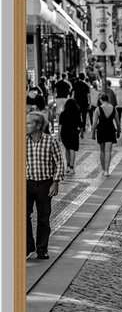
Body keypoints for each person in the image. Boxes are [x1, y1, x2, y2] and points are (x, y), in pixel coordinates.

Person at [26, 111, 64, 259]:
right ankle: (28, 246)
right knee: (23, 216)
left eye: (29, 123)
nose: (26, 126)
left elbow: (59, 162)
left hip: (45, 184)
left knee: (43, 217)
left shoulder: (50, 141)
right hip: (26, 183)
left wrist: (55, 182)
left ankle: (42, 249)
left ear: (39, 125)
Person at [91, 94, 121, 177]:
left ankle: (103, 169)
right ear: (108, 99)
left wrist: (93, 133)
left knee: (102, 151)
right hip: (110, 130)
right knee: (108, 151)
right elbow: (118, 123)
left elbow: (94, 123)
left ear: (101, 100)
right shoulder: (114, 109)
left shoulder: (98, 109)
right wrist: (118, 132)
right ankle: (107, 170)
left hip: (101, 130)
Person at [58, 98, 82, 175]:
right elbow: (80, 124)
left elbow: (60, 126)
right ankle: (72, 167)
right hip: (74, 132)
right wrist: (81, 133)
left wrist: (59, 135)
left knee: (67, 149)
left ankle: (67, 166)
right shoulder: (77, 113)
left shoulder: (62, 114)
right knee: (72, 150)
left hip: (64, 133)